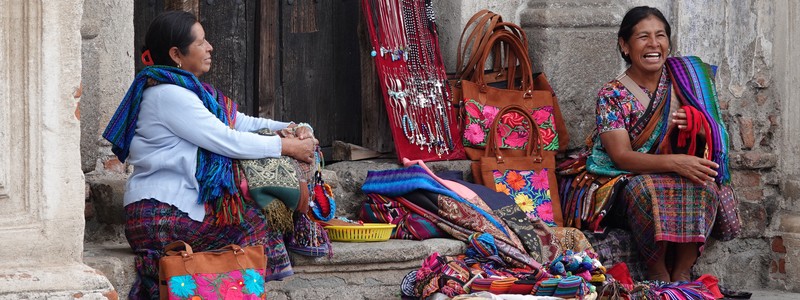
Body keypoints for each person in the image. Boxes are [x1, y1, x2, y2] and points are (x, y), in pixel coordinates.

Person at [102, 11, 318, 299]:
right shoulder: (168, 95)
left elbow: (241, 122)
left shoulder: (194, 93)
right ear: (177, 54)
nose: (210, 47)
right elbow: (226, 140)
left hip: (175, 207)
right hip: (159, 214)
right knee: (254, 221)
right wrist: (288, 147)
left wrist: (297, 128)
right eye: (201, 42)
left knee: (255, 216)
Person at [586, 6, 733, 282]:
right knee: (648, 190)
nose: (654, 44)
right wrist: (675, 163)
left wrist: (698, 127)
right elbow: (622, 157)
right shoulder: (612, 94)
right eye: (643, 37)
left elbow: (714, 134)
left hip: (675, 170)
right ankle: (657, 271)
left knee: (706, 183)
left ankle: (683, 271)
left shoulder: (686, 81)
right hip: (625, 179)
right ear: (625, 45)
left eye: (661, 35)